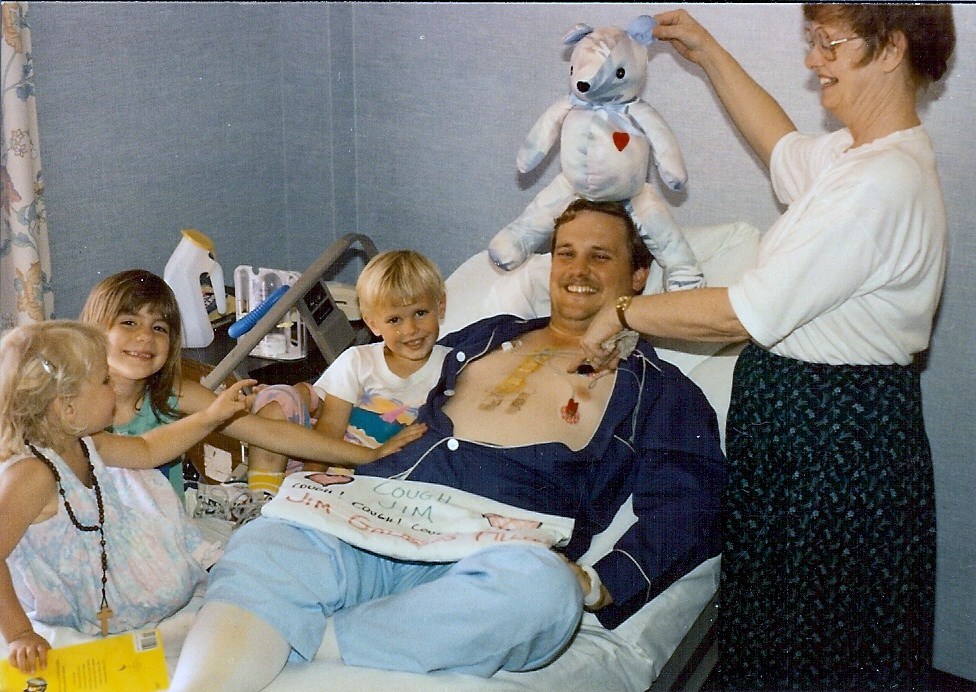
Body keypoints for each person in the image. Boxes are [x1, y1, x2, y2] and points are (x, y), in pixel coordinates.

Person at [168, 198, 726, 691]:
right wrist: (308, 398)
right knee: (269, 540)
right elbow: (383, 379)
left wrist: (604, 584)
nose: (577, 270)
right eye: (565, 253)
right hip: (378, 511)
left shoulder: (660, 390)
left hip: (491, 550)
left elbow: (690, 505)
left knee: (545, 595)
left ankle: (316, 638)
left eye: (599, 256)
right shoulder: (484, 336)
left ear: (638, 275)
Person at [573, 6, 954, 689]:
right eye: (813, 41)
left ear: (892, 48)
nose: (813, 61)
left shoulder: (882, 183)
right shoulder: (859, 158)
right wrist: (706, 50)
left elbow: (739, 313)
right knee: (784, 634)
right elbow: (780, 144)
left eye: (830, 44)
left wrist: (623, 311)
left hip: (834, 453)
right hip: (804, 442)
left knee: (818, 649)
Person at [0, 320, 254, 674]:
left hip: (108, 575)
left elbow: (148, 449)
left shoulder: (84, 441)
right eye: (105, 381)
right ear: (67, 408)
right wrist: (19, 633)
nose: (115, 388)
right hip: (76, 599)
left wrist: (210, 417)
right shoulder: (33, 474)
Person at [79, 270, 424, 502]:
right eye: (128, 322)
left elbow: (271, 433)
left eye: (159, 328)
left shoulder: (174, 394)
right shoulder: (75, 408)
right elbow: (141, 451)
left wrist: (370, 454)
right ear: (94, 330)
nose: (145, 337)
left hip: (162, 532)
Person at [245, 249, 450, 492]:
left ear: (440, 307)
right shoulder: (358, 362)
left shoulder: (455, 366)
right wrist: (306, 488)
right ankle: (262, 494)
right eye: (394, 320)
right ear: (373, 323)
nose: (411, 329)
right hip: (335, 473)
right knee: (278, 399)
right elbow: (329, 433)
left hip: (395, 483)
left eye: (420, 313)